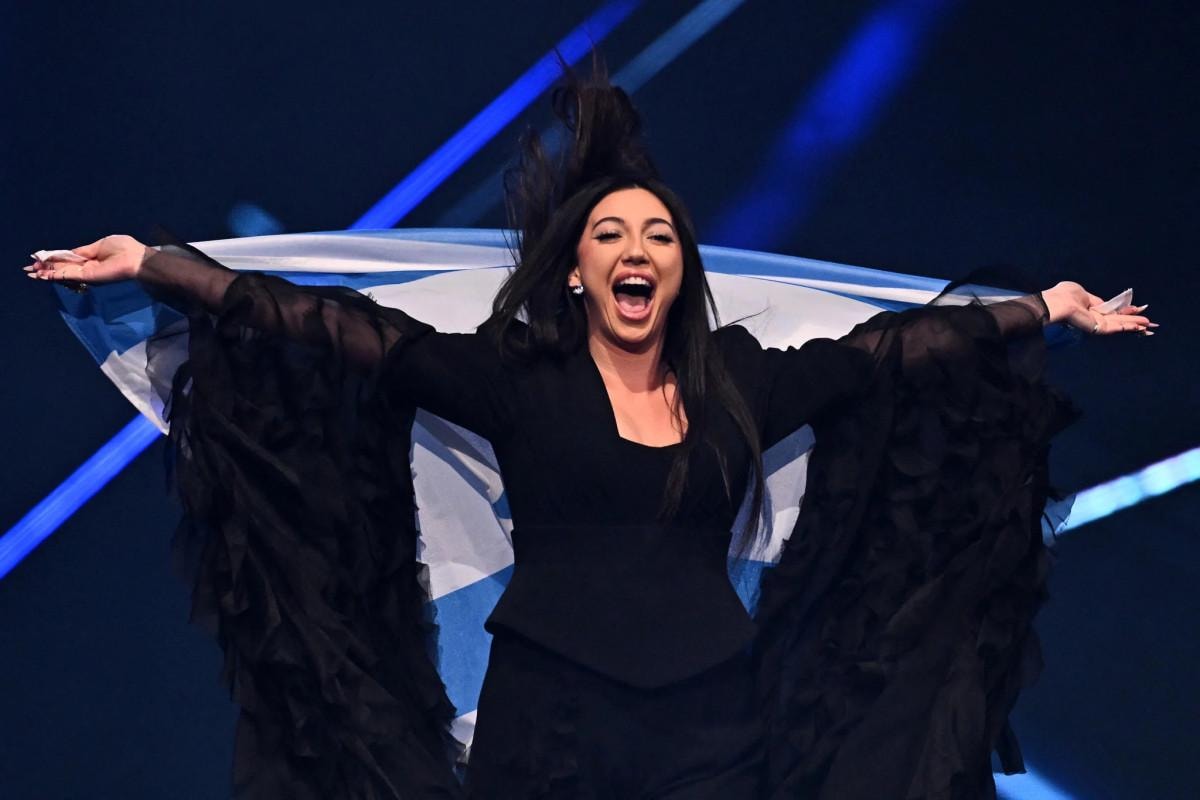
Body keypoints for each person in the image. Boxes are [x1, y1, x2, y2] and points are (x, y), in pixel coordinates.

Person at [27, 72, 1152, 799]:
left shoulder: (743, 385)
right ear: (576, 270)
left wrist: (1044, 308)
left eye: (658, 235)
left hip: (712, 724)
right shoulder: (519, 381)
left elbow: (895, 350)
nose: (636, 249)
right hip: (548, 724)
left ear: (680, 273)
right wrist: (160, 265)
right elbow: (338, 327)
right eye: (611, 233)